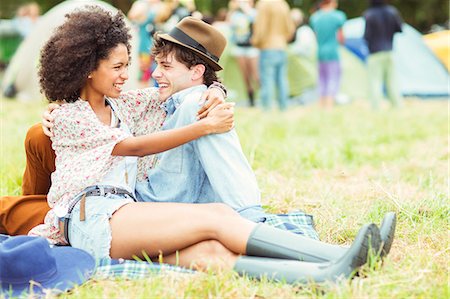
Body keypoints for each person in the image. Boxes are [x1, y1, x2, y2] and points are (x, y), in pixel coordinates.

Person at [24, 6, 391, 284]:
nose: (127, 75)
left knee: (211, 252)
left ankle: (324, 276)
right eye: (118, 67)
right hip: (94, 216)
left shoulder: (122, 104)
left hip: (122, 213)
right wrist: (204, 128)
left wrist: (215, 91)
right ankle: (345, 254)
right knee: (217, 217)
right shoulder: (69, 116)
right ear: (89, 68)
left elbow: (188, 90)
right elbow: (133, 148)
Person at [251, 0, 295, 111]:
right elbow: (290, 29)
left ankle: (267, 109)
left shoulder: (263, 4)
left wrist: (255, 41)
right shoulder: (283, 4)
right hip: (282, 46)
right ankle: (284, 108)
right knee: (282, 79)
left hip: (268, 47)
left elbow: (261, 28)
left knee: (267, 80)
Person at [363, 0, 403, 110]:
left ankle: (376, 108)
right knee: (392, 81)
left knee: (375, 81)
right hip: (389, 51)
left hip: (374, 53)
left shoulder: (369, 14)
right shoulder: (392, 12)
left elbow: (366, 36)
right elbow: (399, 29)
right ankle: (397, 106)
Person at [309, 0, 347, 109]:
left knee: (322, 79)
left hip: (320, 52)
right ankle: (329, 105)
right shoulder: (338, 16)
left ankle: (321, 104)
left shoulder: (315, 17)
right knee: (333, 78)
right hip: (333, 53)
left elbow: (316, 37)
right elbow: (341, 38)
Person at [228, 0, 259, 107]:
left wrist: (247, 9)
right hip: (239, 48)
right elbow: (230, 26)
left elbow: (256, 20)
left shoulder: (253, 12)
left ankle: (263, 97)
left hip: (252, 48)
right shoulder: (236, 15)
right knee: (245, 77)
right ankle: (252, 101)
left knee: (256, 75)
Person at [127, 0, 161, 87]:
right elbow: (132, 15)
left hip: (148, 47)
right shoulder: (143, 6)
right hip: (144, 48)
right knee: (144, 73)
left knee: (147, 72)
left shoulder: (153, 8)